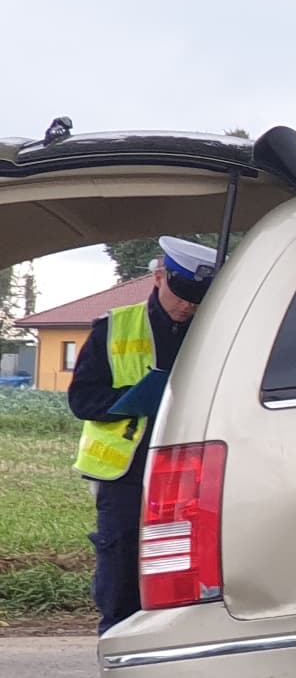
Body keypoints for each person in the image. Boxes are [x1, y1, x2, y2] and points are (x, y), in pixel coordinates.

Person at [67, 237, 217, 637]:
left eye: (197, 298)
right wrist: (135, 401)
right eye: (182, 293)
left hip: (189, 476)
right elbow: (82, 400)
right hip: (126, 478)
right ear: (158, 277)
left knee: (177, 587)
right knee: (120, 589)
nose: (188, 305)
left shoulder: (212, 331)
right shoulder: (113, 327)